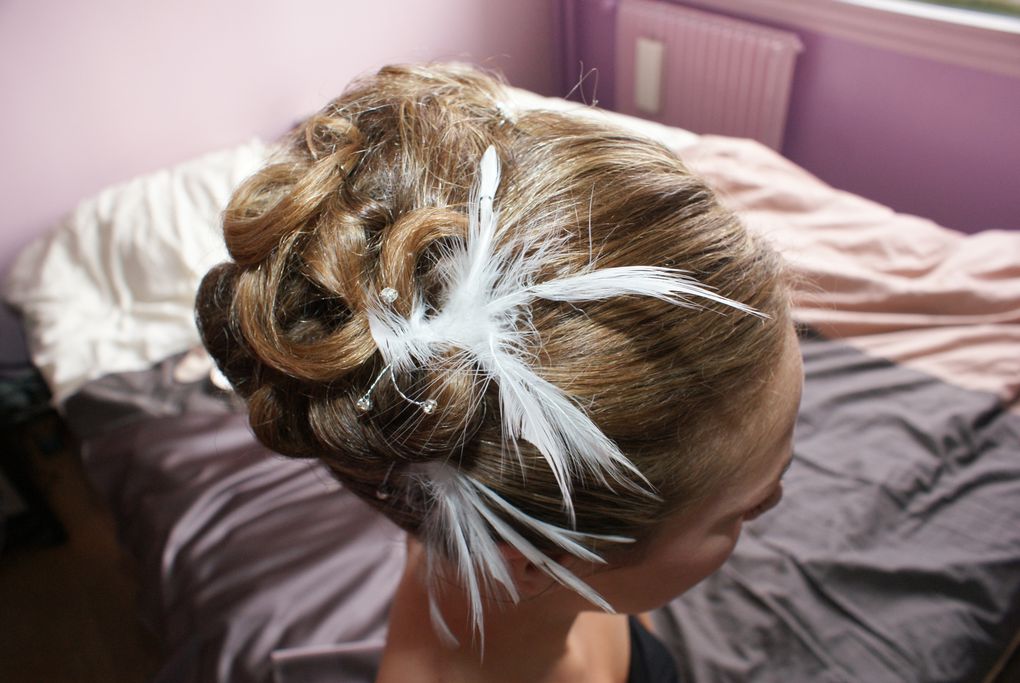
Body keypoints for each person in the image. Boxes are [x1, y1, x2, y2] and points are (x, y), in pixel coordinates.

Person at [196, 63, 801, 683]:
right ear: (539, 563)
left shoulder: (442, 428)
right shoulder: (456, 428)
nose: (780, 498)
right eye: (747, 511)